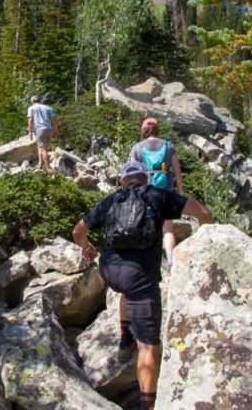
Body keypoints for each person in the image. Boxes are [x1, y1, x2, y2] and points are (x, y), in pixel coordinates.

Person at [72, 160, 212, 410]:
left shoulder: (111, 200)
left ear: (123, 181)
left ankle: (125, 339)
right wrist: (204, 244)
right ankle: (149, 405)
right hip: (140, 277)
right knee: (148, 346)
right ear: (145, 179)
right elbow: (203, 213)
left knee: (127, 292)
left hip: (110, 271)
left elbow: (77, 231)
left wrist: (87, 248)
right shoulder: (159, 196)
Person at [129, 117, 183, 269]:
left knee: (145, 226)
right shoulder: (168, 146)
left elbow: (131, 173)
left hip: (145, 192)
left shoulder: (137, 147)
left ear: (144, 130)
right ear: (157, 129)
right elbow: (178, 173)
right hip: (166, 190)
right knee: (168, 230)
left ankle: (146, 263)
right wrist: (180, 193)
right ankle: (171, 261)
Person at [26, 94, 59, 173]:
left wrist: (30, 132)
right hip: (49, 129)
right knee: (41, 147)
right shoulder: (48, 108)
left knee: (43, 148)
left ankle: (48, 168)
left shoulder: (31, 108)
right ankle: (40, 164)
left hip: (40, 130)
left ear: (32, 102)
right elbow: (54, 120)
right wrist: (56, 131)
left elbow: (30, 120)